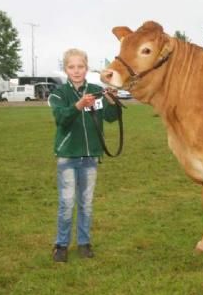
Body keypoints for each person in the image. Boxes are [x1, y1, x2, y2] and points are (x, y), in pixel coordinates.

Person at [48, 48, 119, 262]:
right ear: (66, 69)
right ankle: (61, 245)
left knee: (86, 203)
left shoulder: (97, 91)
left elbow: (111, 117)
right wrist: (78, 106)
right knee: (67, 203)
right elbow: (62, 119)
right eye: (72, 67)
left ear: (87, 68)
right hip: (68, 157)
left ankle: (84, 243)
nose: (76, 71)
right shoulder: (59, 94)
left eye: (80, 66)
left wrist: (112, 101)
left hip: (90, 158)